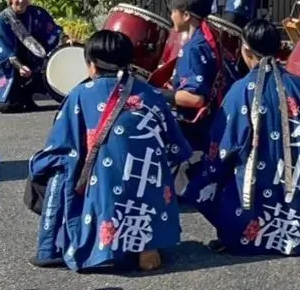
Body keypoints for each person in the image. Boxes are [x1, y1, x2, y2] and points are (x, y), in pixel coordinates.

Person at [26, 29, 192, 274]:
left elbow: (61, 147)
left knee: (56, 165)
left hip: (104, 188)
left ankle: (54, 248)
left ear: (91, 66)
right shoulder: (152, 94)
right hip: (149, 189)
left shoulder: (81, 94)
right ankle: (148, 243)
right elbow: (177, 148)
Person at [188, 19, 300, 256]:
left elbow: (221, 152)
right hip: (298, 210)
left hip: (250, 200)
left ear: (246, 50)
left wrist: (208, 170)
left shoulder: (239, 91)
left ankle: (241, 232)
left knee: (204, 177)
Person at [160, 0, 236, 154]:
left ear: (186, 15)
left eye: (173, 11)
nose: (171, 16)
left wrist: (156, 93)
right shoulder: (208, 40)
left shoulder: (193, 48)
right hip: (214, 126)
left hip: (196, 136)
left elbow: (195, 99)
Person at [0, 0, 62, 112]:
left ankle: (28, 94)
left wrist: (65, 39)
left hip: (36, 65)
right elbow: (1, 50)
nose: (21, 0)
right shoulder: (2, 19)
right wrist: (20, 66)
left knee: (60, 88)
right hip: (12, 68)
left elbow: (53, 32)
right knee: (5, 106)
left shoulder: (37, 13)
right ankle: (21, 96)